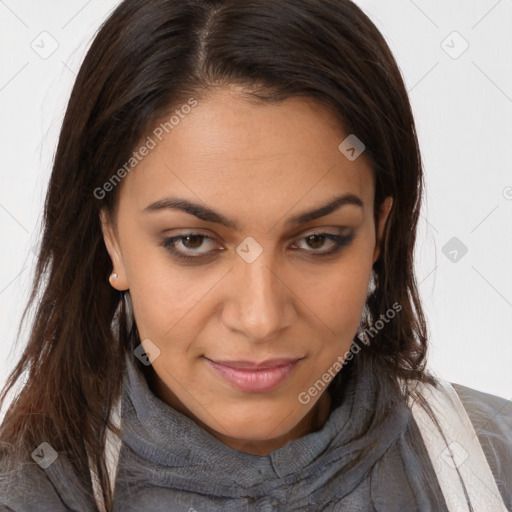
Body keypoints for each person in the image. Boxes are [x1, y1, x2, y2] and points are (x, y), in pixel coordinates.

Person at [1, 0, 511, 510]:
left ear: (380, 231)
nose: (261, 319)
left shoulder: (496, 469)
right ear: (111, 238)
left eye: (317, 240)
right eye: (193, 241)